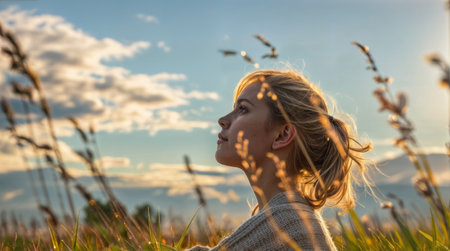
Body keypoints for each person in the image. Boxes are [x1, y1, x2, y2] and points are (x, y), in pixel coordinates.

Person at [188, 69, 374, 251]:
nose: (223, 120)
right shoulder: (295, 218)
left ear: (282, 135)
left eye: (243, 109)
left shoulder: (287, 224)